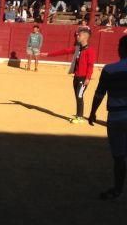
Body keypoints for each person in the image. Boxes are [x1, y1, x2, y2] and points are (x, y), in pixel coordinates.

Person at [89, 35, 127, 201]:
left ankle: (118, 191)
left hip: (117, 117)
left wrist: (92, 113)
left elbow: (99, 94)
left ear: (121, 50)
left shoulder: (110, 70)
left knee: (119, 156)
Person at [42, 26, 96, 124]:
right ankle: (79, 114)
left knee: (79, 96)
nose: (77, 37)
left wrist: (88, 78)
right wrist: (48, 54)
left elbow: (90, 65)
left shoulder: (90, 50)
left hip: (83, 78)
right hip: (76, 77)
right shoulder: (78, 48)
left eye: (79, 35)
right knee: (77, 96)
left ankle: (80, 117)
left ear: (84, 37)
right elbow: (64, 51)